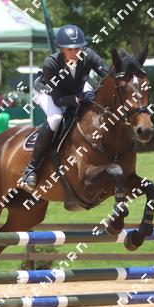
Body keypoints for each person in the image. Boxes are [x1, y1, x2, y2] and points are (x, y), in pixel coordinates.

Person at [20, 24, 109, 190]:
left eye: (78, 48)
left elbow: (107, 75)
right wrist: (79, 98)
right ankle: (31, 169)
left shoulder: (88, 55)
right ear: (61, 49)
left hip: (76, 87)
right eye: (70, 49)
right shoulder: (51, 63)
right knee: (56, 118)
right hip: (48, 91)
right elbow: (59, 100)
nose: (75, 53)